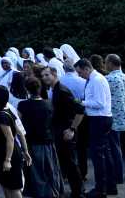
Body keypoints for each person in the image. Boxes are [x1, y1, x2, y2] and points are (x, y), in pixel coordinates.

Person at [74, 58, 116, 197]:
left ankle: (100, 190)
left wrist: (82, 102)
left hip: (99, 118)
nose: (79, 75)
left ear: (86, 68)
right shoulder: (95, 79)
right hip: (101, 118)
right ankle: (109, 186)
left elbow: (99, 103)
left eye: (80, 73)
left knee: (98, 156)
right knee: (104, 154)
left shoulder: (97, 80)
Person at [43, 65, 86, 198]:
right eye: (43, 76)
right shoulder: (55, 90)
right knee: (67, 163)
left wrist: (72, 129)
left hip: (66, 132)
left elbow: (80, 110)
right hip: (60, 131)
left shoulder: (61, 90)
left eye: (47, 75)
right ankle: (74, 191)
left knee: (71, 163)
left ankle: (79, 192)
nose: (44, 78)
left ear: (54, 74)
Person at [18, 76, 61, 198]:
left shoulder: (23, 105)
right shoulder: (48, 104)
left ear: (27, 89)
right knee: (50, 172)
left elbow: (19, 123)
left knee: (36, 175)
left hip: (32, 143)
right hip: (48, 142)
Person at [103, 54, 125, 184]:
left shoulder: (108, 79)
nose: (105, 65)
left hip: (114, 118)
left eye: (106, 62)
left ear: (111, 63)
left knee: (115, 149)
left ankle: (117, 176)